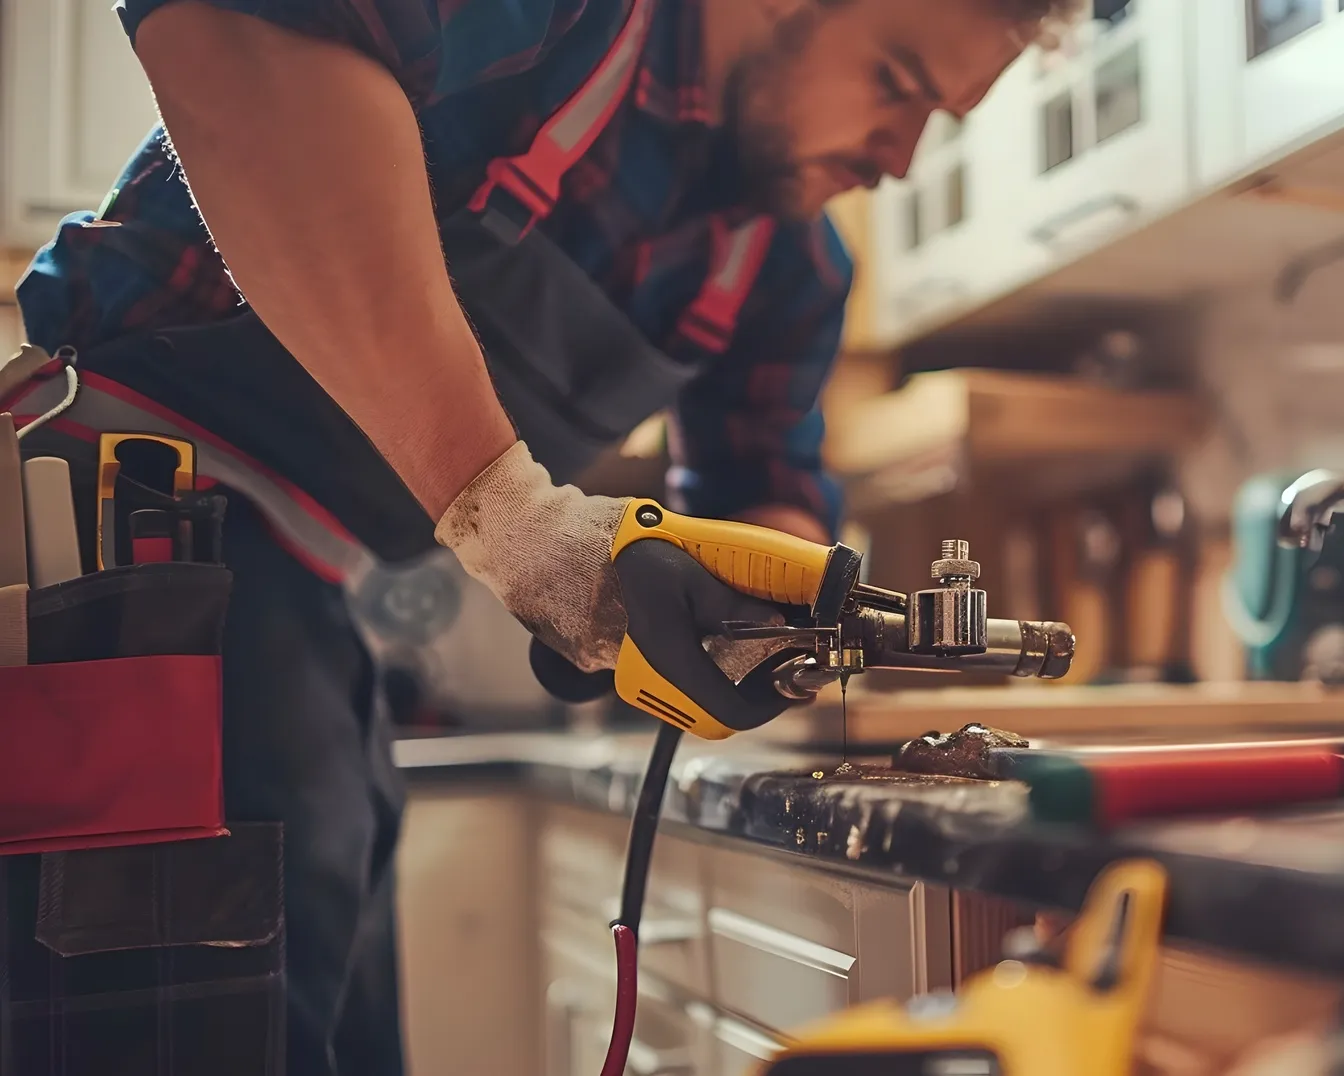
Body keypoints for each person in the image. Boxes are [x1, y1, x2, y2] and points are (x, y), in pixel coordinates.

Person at [8, 0, 1074, 1071]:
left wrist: (765, 627)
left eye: (936, 116)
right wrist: (511, 513)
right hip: (114, 542)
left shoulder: (788, 271)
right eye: (895, 80)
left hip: (312, 599)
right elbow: (224, 31)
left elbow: (768, 493)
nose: (899, 158)